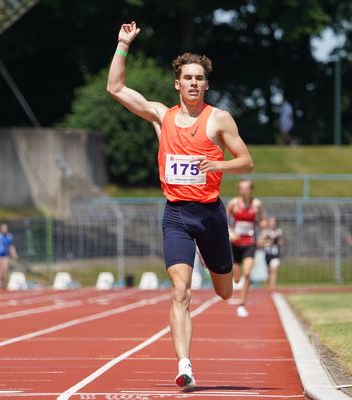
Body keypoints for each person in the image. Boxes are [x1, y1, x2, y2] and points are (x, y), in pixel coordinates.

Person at [106, 21, 253, 388]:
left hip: (210, 214)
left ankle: (219, 270)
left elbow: (246, 161)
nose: (192, 83)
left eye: (198, 78)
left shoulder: (218, 119)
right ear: (177, 83)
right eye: (186, 77)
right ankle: (185, 365)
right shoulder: (162, 116)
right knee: (180, 290)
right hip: (177, 215)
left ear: (206, 84)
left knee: (225, 291)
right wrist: (123, 44)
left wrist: (218, 164)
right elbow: (115, 87)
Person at [226, 180, 265, 317]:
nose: (244, 191)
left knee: (247, 273)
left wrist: (263, 228)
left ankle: (242, 304)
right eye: (241, 188)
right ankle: (236, 281)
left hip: (250, 242)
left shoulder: (256, 204)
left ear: (251, 190)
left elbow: (262, 220)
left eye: (246, 188)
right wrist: (230, 233)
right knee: (236, 279)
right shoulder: (233, 203)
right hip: (236, 242)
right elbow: (224, 220)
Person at [257, 216, 284, 290]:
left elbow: (281, 243)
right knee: (268, 272)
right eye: (271, 222)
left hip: (275, 254)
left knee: (273, 269)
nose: (273, 224)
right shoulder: (265, 232)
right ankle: (269, 285)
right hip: (267, 255)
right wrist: (267, 242)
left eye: (274, 222)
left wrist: (278, 241)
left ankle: (272, 286)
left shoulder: (279, 232)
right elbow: (259, 243)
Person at [0, 223, 18, 289]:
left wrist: (14, 254)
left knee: (5, 269)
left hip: (5, 255)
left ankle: (2, 282)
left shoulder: (9, 236)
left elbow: (11, 246)